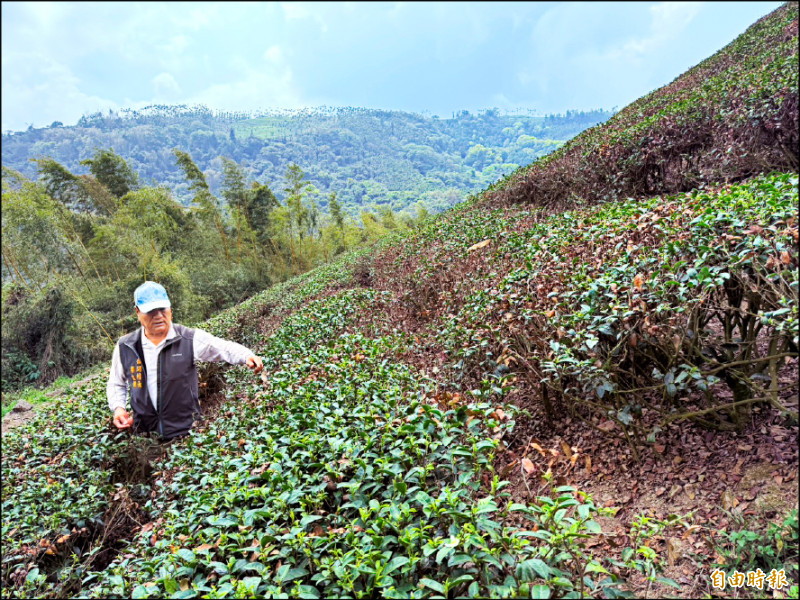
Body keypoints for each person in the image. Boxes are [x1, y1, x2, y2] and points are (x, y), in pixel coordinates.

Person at [107, 281, 264, 439]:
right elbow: (116, 382)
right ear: (137, 312)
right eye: (151, 311)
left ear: (170, 309)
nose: (159, 316)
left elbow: (221, 347)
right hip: (145, 437)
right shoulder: (126, 346)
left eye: (162, 309)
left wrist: (246, 355)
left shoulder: (188, 338)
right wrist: (119, 408)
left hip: (187, 435)